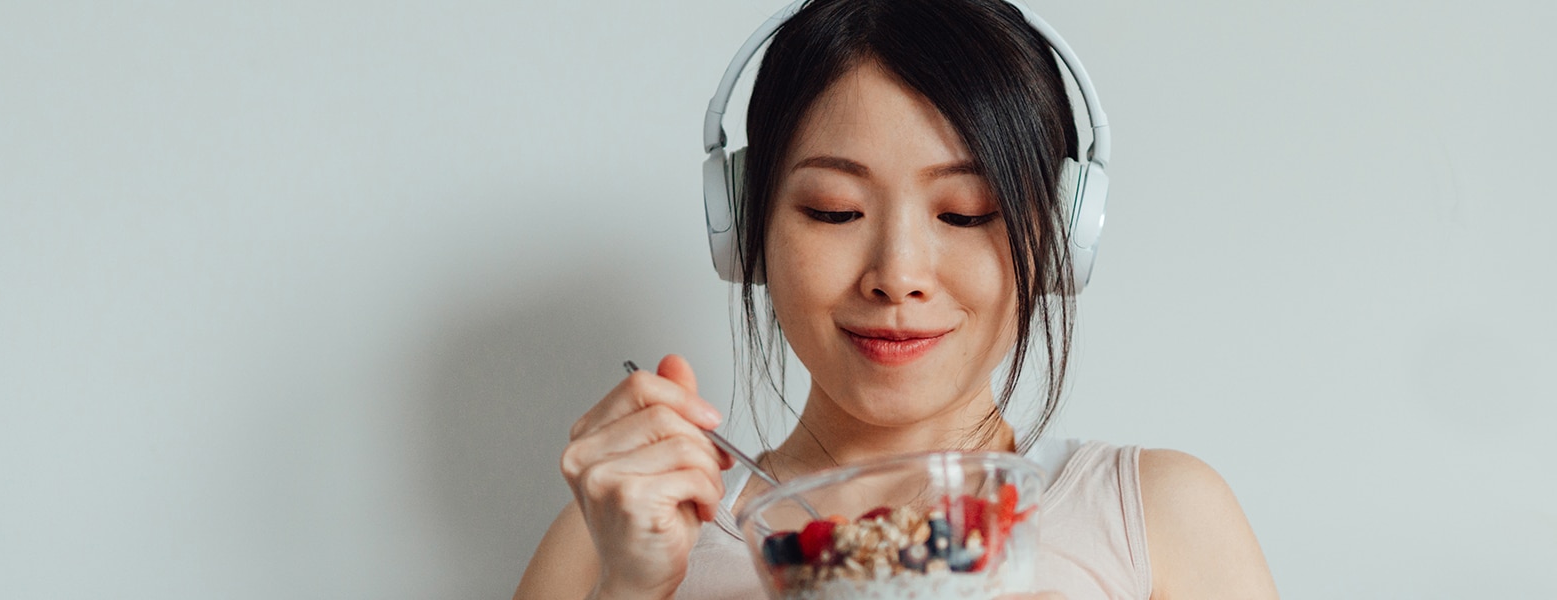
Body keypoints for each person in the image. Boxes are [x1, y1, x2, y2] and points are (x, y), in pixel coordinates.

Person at [514, 1, 1274, 598]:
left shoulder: (1161, 517)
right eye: (835, 211)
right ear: (744, 229)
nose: (898, 274)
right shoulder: (614, 540)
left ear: (1059, 238)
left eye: (967, 213)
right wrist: (629, 589)